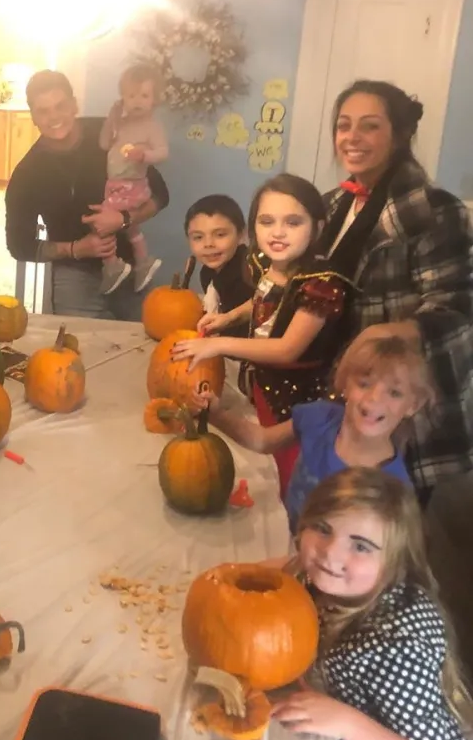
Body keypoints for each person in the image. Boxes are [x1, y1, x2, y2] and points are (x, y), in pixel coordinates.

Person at [315, 80, 473, 676]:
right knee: (337, 525)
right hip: (345, 400)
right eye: (344, 124)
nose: (352, 137)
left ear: (401, 134)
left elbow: (456, 310)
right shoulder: (336, 205)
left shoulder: (435, 211)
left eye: (370, 125)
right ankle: (330, 639)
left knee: (388, 540)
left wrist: (380, 340)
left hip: (405, 408)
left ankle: (394, 665)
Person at [270, 467, 473, 740]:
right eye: (323, 528)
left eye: (361, 546)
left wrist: (347, 723)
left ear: (394, 563)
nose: (330, 554)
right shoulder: (329, 577)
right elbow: (283, 568)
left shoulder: (398, 647)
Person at [173, 174, 353, 496]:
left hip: (301, 398)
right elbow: (262, 297)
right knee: (267, 461)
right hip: (265, 385)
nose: (278, 232)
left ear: (318, 227)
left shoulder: (320, 284)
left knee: (294, 468)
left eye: (293, 222)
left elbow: (287, 350)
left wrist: (217, 344)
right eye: (266, 221)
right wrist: (229, 317)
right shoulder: (262, 262)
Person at [193, 332, 432, 529]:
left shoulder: (394, 489)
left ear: (413, 405)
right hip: (288, 543)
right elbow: (263, 441)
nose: (373, 399)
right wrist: (216, 414)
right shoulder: (319, 417)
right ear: (345, 383)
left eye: (394, 393)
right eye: (364, 383)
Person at [5, 70, 170, 320]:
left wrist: (124, 219)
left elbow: (160, 194)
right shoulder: (27, 173)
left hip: (130, 268)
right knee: (79, 352)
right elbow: (19, 245)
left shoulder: (108, 133)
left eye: (60, 106)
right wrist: (75, 249)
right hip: (74, 277)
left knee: (139, 347)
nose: (54, 117)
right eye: (43, 111)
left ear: (74, 105)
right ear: (33, 117)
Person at [97, 64, 168, 294]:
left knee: (103, 221)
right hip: (116, 185)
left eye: (144, 95)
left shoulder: (152, 127)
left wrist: (144, 154)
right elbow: (104, 144)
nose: (137, 101)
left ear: (154, 99)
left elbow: (163, 152)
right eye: (131, 95)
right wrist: (111, 119)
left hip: (133, 186)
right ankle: (143, 261)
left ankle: (112, 265)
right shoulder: (123, 123)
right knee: (132, 227)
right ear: (123, 98)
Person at [183, 194, 255, 335]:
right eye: (198, 237)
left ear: (242, 234)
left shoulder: (250, 268)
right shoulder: (207, 272)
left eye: (220, 235)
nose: (209, 243)